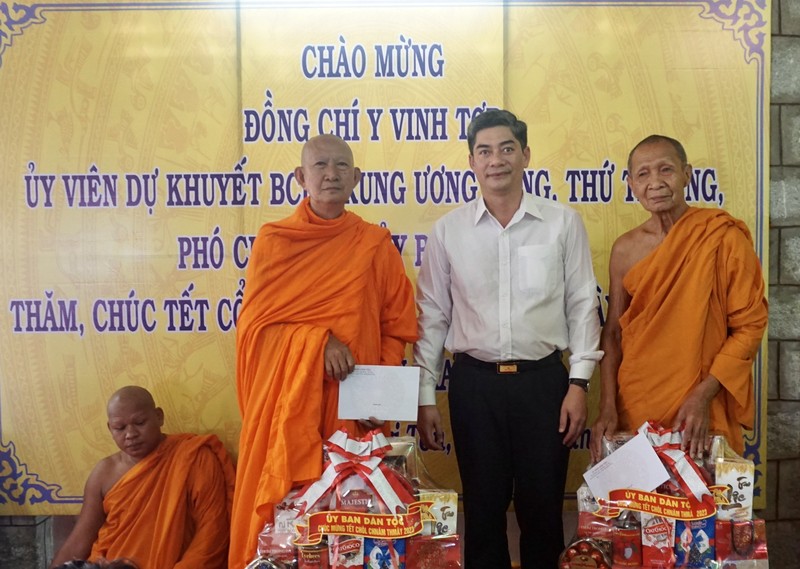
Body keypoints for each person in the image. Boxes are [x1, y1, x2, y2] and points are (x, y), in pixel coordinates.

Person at [414, 109, 602, 569]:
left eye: (506, 149)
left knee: (542, 508)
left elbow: (582, 304)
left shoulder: (561, 222)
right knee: (481, 508)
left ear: (525, 155)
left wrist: (578, 385)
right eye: (484, 151)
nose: (496, 160)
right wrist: (424, 398)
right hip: (474, 386)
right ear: (471, 162)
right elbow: (433, 318)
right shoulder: (448, 231)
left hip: (544, 385)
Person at [230, 134, 418, 569]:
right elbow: (255, 330)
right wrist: (318, 341)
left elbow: (396, 328)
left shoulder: (374, 243)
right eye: (319, 166)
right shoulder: (274, 241)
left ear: (357, 177)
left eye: (340, 166)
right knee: (289, 524)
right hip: (289, 408)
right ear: (300, 177)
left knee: (353, 521)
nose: (330, 174)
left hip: (354, 408)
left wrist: (379, 397)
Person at [590, 135, 768, 462]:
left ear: (687, 174)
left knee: (704, 507)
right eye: (643, 174)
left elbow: (750, 327)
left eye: (666, 170)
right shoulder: (625, 249)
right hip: (638, 401)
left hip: (703, 404)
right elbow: (613, 333)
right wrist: (607, 406)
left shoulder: (722, 237)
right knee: (641, 510)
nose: (655, 182)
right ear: (630, 183)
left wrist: (703, 394)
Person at [50, 386, 236, 569]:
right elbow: (80, 539)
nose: (130, 434)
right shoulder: (104, 472)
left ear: (159, 416)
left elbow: (212, 532)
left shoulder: (193, 456)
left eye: (139, 423)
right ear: (110, 428)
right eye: (120, 428)